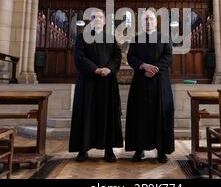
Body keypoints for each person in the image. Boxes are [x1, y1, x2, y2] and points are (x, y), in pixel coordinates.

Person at [69, 9, 123, 163]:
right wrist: (95, 69)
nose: (97, 19)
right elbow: (79, 57)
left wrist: (109, 68)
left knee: (108, 115)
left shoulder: (111, 38)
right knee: (86, 113)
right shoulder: (82, 38)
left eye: (100, 17)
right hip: (88, 82)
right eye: (94, 17)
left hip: (107, 83)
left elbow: (117, 56)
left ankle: (109, 150)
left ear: (105, 21)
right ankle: (83, 149)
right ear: (89, 21)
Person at [125, 10, 175, 163]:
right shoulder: (136, 39)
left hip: (160, 82)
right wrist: (143, 66)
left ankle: (161, 151)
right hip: (141, 82)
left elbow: (168, 56)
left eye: (151, 19)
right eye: (145, 19)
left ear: (156, 21)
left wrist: (154, 68)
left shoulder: (165, 38)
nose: (148, 21)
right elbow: (130, 57)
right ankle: (139, 150)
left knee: (161, 116)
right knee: (139, 115)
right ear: (142, 22)